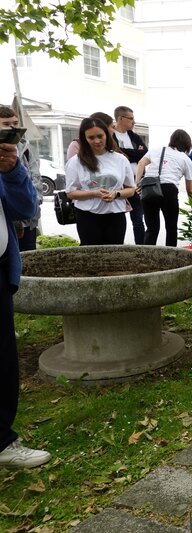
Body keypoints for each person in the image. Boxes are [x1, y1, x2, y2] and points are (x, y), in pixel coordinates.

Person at [0, 141, 50, 468]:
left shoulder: (7, 167)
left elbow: (27, 209)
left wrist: (12, 171)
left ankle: (2, 440)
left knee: (3, 358)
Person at [65, 117, 137, 245]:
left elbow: (131, 189)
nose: (97, 141)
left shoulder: (120, 159)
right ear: (84, 139)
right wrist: (94, 193)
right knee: (91, 256)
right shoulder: (76, 161)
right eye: (91, 138)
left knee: (114, 255)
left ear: (107, 135)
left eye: (100, 136)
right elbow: (70, 193)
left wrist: (116, 194)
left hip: (115, 216)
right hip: (88, 216)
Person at [135, 129, 192, 246]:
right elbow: (190, 189)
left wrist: (138, 183)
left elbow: (141, 163)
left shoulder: (156, 150)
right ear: (187, 144)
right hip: (169, 190)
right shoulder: (185, 159)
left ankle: (146, 260)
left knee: (151, 228)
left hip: (149, 187)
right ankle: (170, 261)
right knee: (171, 228)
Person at [0, 106, 42, 252]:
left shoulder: (26, 149)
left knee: (27, 265)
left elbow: (36, 182)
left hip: (28, 221)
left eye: (15, 123)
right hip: (5, 223)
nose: (13, 128)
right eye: (6, 124)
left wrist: (30, 212)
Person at [113, 106, 147, 244]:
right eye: (131, 119)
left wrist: (125, 153)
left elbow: (144, 153)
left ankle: (141, 248)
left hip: (135, 184)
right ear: (121, 119)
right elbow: (114, 154)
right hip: (118, 186)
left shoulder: (134, 136)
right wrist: (133, 154)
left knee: (138, 219)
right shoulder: (110, 135)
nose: (134, 122)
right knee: (117, 220)